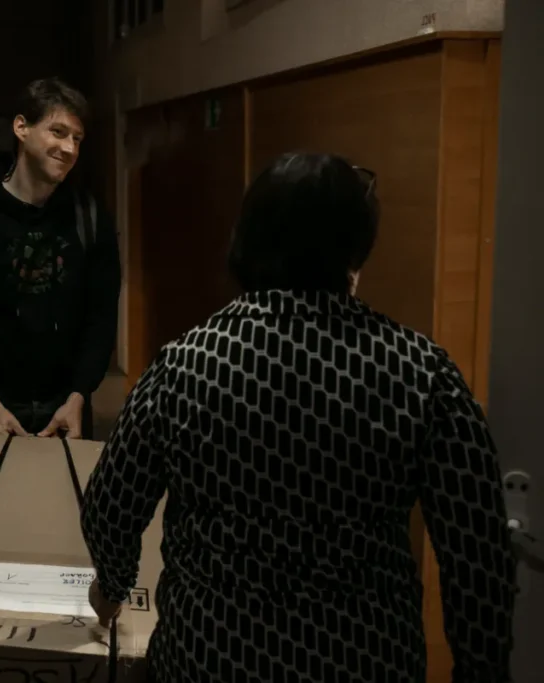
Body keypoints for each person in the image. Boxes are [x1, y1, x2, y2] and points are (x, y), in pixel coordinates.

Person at [80, 153, 516, 683]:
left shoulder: (185, 365)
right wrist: (481, 667)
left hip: (212, 656)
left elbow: (110, 506)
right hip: (366, 659)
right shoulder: (420, 372)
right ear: (354, 250)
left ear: (248, 241)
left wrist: (112, 584)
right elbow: (479, 549)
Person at [0, 77, 121, 440]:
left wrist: (80, 395)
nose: (68, 148)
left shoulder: (89, 216)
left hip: (67, 409)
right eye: (58, 132)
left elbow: (100, 320)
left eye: (77, 139)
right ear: (21, 127)